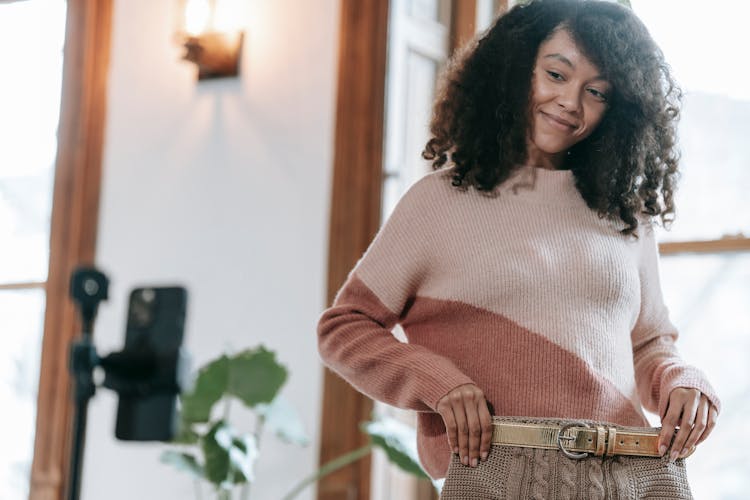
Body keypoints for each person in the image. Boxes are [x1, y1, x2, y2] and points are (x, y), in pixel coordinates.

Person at [317, 0, 720, 496]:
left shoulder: (624, 216)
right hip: (495, 470)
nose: (571, 101)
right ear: (515, 66)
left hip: (632, 472)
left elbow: (650, 344)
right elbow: (344, 328)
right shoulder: (441, 201)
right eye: (556, 74)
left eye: (596, 92)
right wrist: (437, 381)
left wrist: (683, 381)